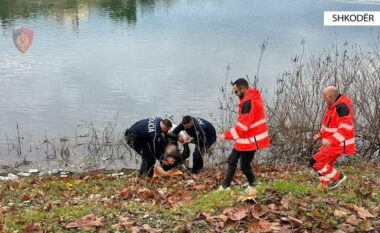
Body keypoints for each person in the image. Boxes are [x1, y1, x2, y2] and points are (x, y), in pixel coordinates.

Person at [218, 78, 270, 191]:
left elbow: (243, 126)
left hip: (250, 139)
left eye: (236, 91)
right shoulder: (251, 98)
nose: (235, 94)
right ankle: (227, 186)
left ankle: (252, 185)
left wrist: (226, 135)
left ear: (243, 89)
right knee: (233, 160)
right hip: (247, 138)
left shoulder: (248, 103)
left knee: (243, 165)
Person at [310, 86, 355, 190]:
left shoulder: (342, 108)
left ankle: (339, 177)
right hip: (331, 143)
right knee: (325, 164)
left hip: (337, 144)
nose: (323, 100)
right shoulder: (332, 106)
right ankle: (324, 186)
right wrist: (321, 134)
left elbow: (345, 129)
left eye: (324, 98)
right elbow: (329, 124)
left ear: (330, 97)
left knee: (315, 162)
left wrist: (331, 141)